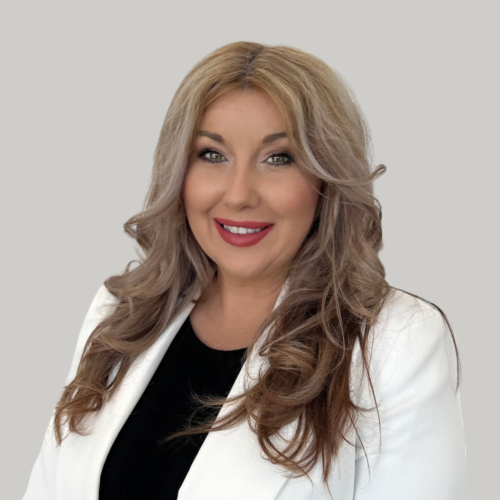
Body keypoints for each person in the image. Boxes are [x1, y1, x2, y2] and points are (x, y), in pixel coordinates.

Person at [22, 41, 466, 500]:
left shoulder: (395, 344)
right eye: (212, 155)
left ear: (327, 179)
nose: (238, 195)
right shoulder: (121, 315)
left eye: (279, 158)